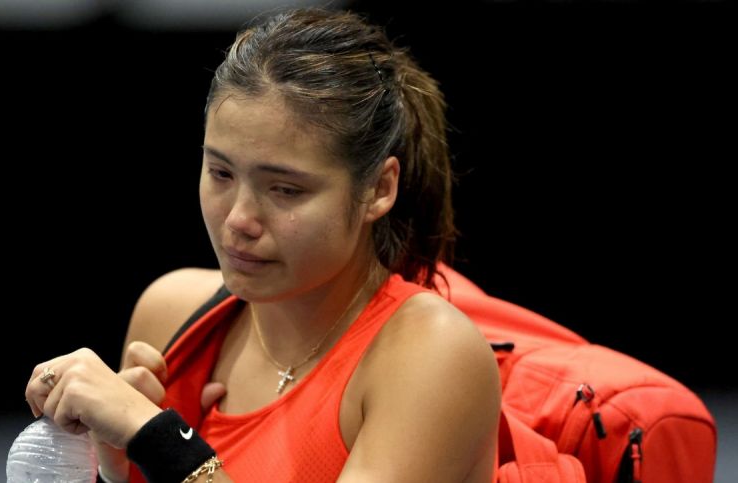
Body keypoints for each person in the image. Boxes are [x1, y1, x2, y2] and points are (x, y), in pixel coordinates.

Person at [25, 8, 501, 482]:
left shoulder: (432, 353)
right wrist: (114, 471)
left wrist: (157, 437)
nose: (238, 220)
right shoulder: (169, 315)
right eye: (221, 173)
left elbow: (161, 443)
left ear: (379, 189)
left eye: (285, 190)